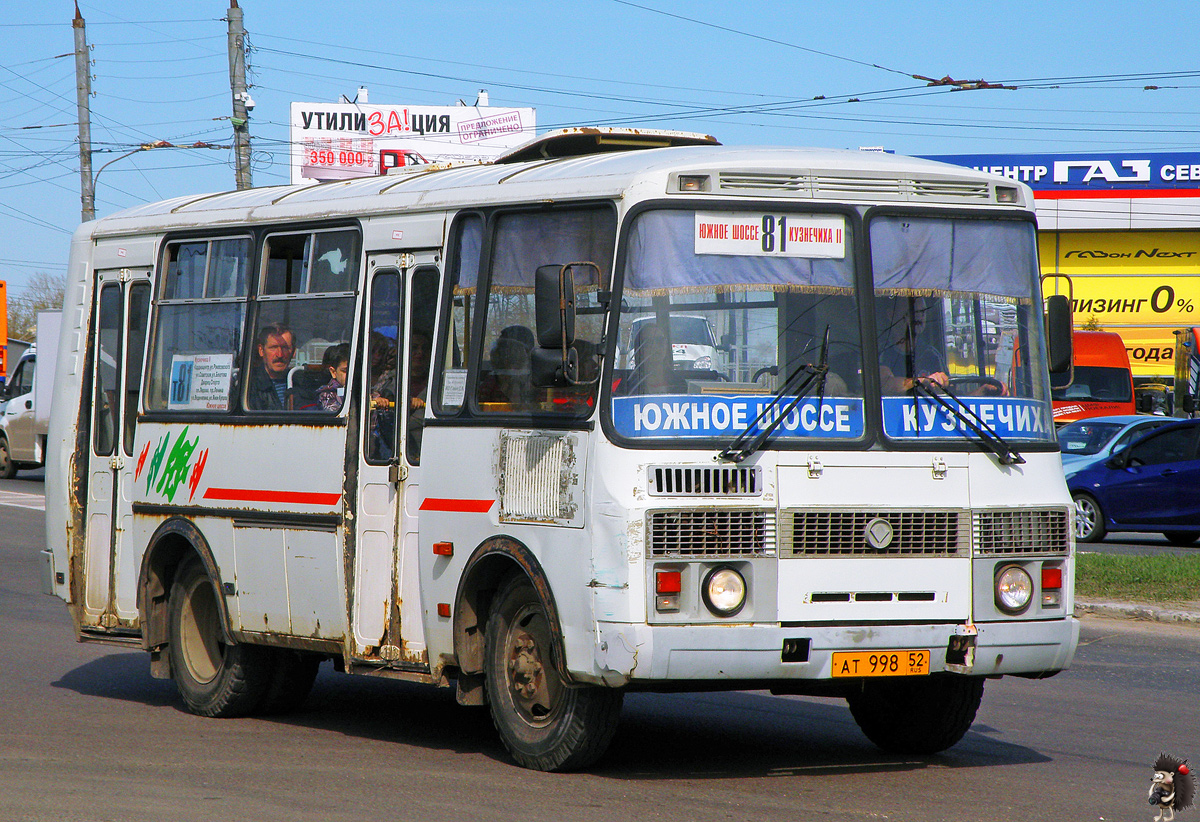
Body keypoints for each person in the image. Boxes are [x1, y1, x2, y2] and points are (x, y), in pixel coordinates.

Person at [625, 323, 687, 395]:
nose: (655, 347)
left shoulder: (679, 383)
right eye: (648, 342)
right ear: (639, 349)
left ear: (666, 345)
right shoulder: (630, 387)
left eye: (660, 341)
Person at [246, 321, 296, 410]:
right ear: (261, 350)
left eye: (285, 348)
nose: (279, 355)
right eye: (273, 347)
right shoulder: (248, 387)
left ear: (293, 352)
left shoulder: (302, 385)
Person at [316, 342, 350, 412]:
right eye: (345, 371)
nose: (351, 375)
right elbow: (337, 415)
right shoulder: (326, 395)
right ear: (333, 372)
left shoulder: (366, 390)